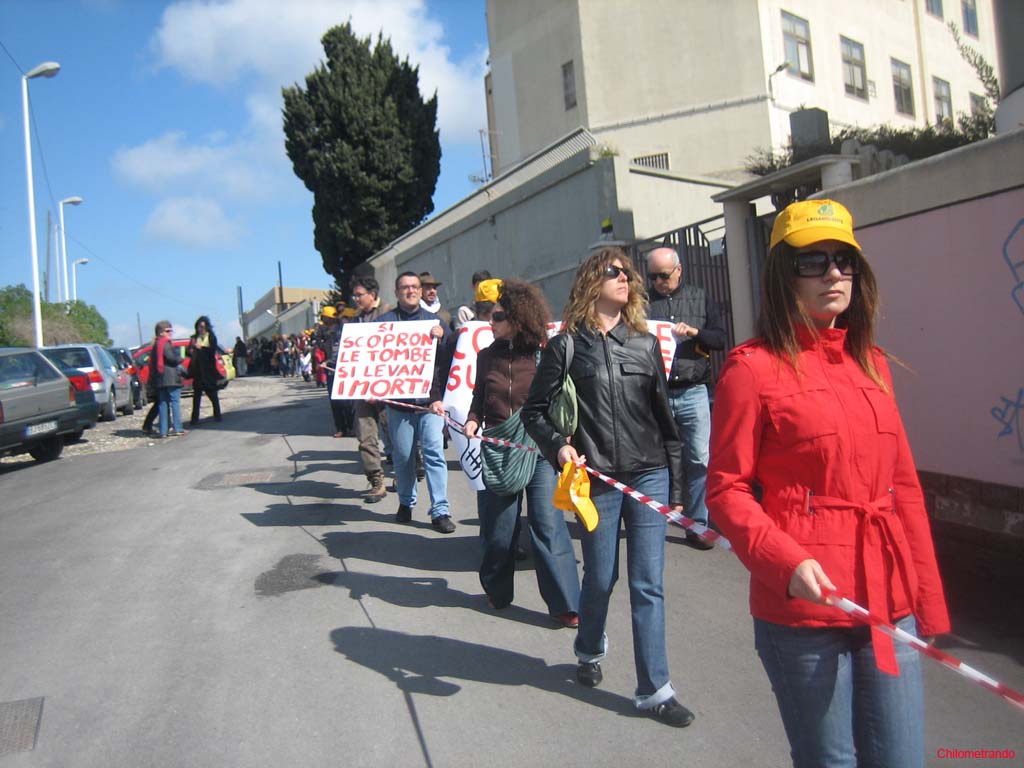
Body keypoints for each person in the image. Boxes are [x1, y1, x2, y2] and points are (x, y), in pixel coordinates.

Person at [706, 199, 950, 767]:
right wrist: (784, 563)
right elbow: (725, 490)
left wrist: (927, 604)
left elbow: (903, 486)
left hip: (888, 598)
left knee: (901, 758)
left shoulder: (873, 363)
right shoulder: (751, 369)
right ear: (781, 274)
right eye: (812, 261)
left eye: (844, 260)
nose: (833, 273)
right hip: (803, 609)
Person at [522, 247, 695, 728]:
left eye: (629, 275)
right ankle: (589, 647)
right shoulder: (566, 346)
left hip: (650, 474)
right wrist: (558, 447)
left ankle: (654, 689)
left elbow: (667, 420)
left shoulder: (643, 344)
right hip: (596, 480)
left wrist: (676, 485)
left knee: (647, 583)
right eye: (615, 272)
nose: (627, 280)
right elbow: (534, 412)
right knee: (601, 577)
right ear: (590, 282)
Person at [463, 279, 580, 625]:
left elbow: (561, 399)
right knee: (499, 530)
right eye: (490, 316)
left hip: (541, 449)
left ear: (517, 317)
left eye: (498, 316)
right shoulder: (486, 357)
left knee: (547, 525)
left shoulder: (545, 354)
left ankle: (566, 603)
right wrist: (472, 420)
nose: (490, 322)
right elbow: (479, 397)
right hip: (499, 448)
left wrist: (566, 439)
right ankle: (497, 590)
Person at [645, 246, 727, 550]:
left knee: (698, 458)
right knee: (656, 458)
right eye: (652, 277)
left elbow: (719, 339)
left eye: (663, 276)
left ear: (679, 271)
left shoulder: (701, 296)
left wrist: (695, 333)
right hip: (657, 392)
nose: (657, 282)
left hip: (693, 390)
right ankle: (655, 518)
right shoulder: (643, 304)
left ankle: (698, 524)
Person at [378, 272, 457, 533]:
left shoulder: (436, 321)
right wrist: (368, 387)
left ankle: (440, 510)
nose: (410, 291)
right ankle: (405, 501)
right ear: (397, 291)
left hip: (430, 403)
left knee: (434, 453)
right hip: (399, 404)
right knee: (403, 457)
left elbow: (451, 360)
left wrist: (443, 338)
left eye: (414, 287)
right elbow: (375, 362)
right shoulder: (384, 323)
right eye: (405, 287)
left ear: (421, 290)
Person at [349, 276, 391, 503]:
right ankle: (376, 481)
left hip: (389, 388)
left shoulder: (390, 314)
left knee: (395, 436)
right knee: (366, 437)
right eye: (354, 295)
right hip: (362, 389)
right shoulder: (353, 321)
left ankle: (407, 474)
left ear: (372, 294)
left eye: (359, 295)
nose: (356, 299)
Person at [149, 320, 186, 438]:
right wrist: (181, 359)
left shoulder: (155, 345)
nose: (170, 333)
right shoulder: (166, 343)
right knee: (175, 402)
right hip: (171, 377)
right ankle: (178, 428)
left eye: (171, 330)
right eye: (167, 331)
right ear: (160, 332)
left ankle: (163, 430)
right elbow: (172, 359)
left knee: (163, 404)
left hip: (160, 379)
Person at [188, 315, 223, 425]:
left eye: (203, 327)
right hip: (198, 371)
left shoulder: (211, 337)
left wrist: (201, 348)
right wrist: (192, 349)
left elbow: (212, 351)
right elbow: (188, 352)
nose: (201, 329)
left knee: (212, 394)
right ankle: (194, 419)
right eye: (199, 326)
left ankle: (217, 415)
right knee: (196, 396)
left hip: (208, 370)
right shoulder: (194, 338)